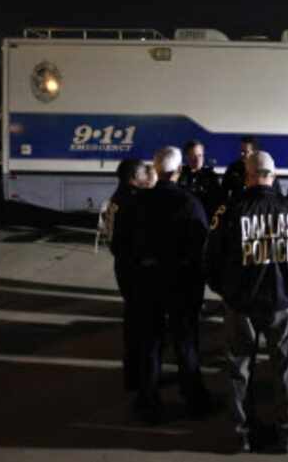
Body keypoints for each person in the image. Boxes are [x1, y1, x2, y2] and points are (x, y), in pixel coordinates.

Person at [206, 151, 288, 454]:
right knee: (287, 370)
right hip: (284, 301)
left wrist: (226, 291)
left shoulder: (230, 210)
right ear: (273, 175)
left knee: (239, 369)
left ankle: (241, 433)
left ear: (248, 176)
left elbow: (212, 258)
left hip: (241, 304)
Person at [130, 146, 211, 423]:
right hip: (181, 282)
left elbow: (124, 243)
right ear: (178, 171)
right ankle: (194, 399)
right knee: (185, 340)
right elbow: (202, 246)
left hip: (147, 281)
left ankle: (147, 401)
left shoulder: (138, 201)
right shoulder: (190, 203)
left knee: (150, 342)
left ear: (156, 169)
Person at [107, 158, 148, 392]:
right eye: (143, 173)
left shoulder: (117, 198)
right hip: (134, 269)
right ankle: (136, 377)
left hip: (122, 266)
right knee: (138, 324)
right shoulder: (132, 201)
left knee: (132, 319)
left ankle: (132, 373)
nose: (146, 177)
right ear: (134, 177)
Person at [221, 136, 282, 203]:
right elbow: (223, 193)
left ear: (254, 152)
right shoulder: (233, 168)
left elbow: (278, 194)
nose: (242, 154)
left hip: (259, 208)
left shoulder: (267, 169)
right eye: (241, 151)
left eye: (246, 152)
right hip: (238, 208)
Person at [178, 139, 223, 220]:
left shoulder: (211, 177)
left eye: (200, 155)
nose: (198, 159)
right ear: (186, 156)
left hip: (202, 221)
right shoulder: (179, 175)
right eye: (193, 156)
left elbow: (217, 203)